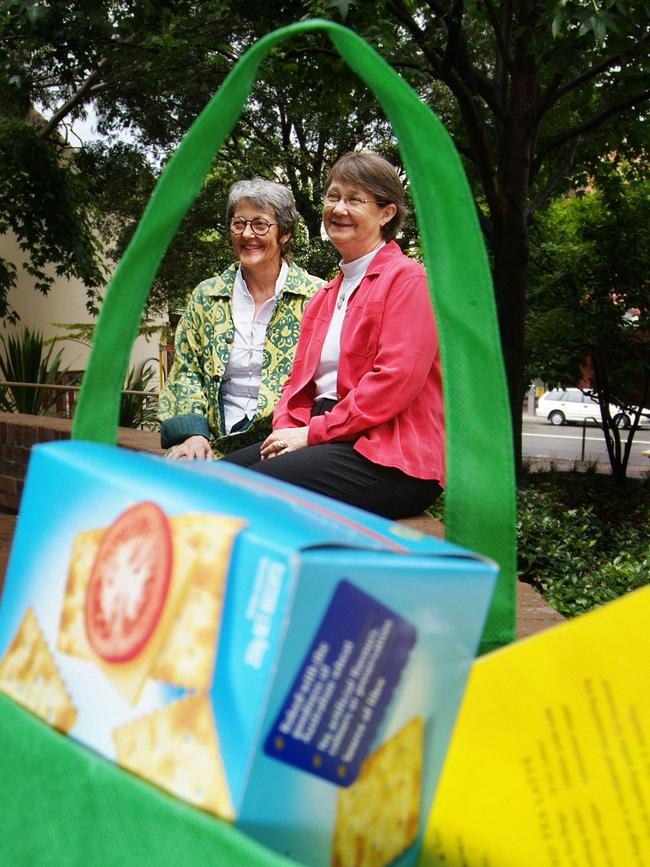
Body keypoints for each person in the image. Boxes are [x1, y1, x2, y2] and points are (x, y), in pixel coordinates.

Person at [222, 151, 444, 519]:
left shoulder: (408, 280)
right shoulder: (325, 295)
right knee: (206, 481)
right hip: (329, 434)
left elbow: (395, 381)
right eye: (333, 196)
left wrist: (311, 435)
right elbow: (296, 384)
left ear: (386, 213)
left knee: (246, 493)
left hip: (389, 455)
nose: (339, 208)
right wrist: (287, 433)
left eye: (354, 199)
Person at [158, 178, 322, 459]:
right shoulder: (206, 296)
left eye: (260, 224)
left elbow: (327, 380)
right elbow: (186, 372)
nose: (247, 234)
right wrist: (193, 434)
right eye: (238, 224)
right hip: (210, 441)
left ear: (285, 233)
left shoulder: (317, 297)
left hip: (283, 442)